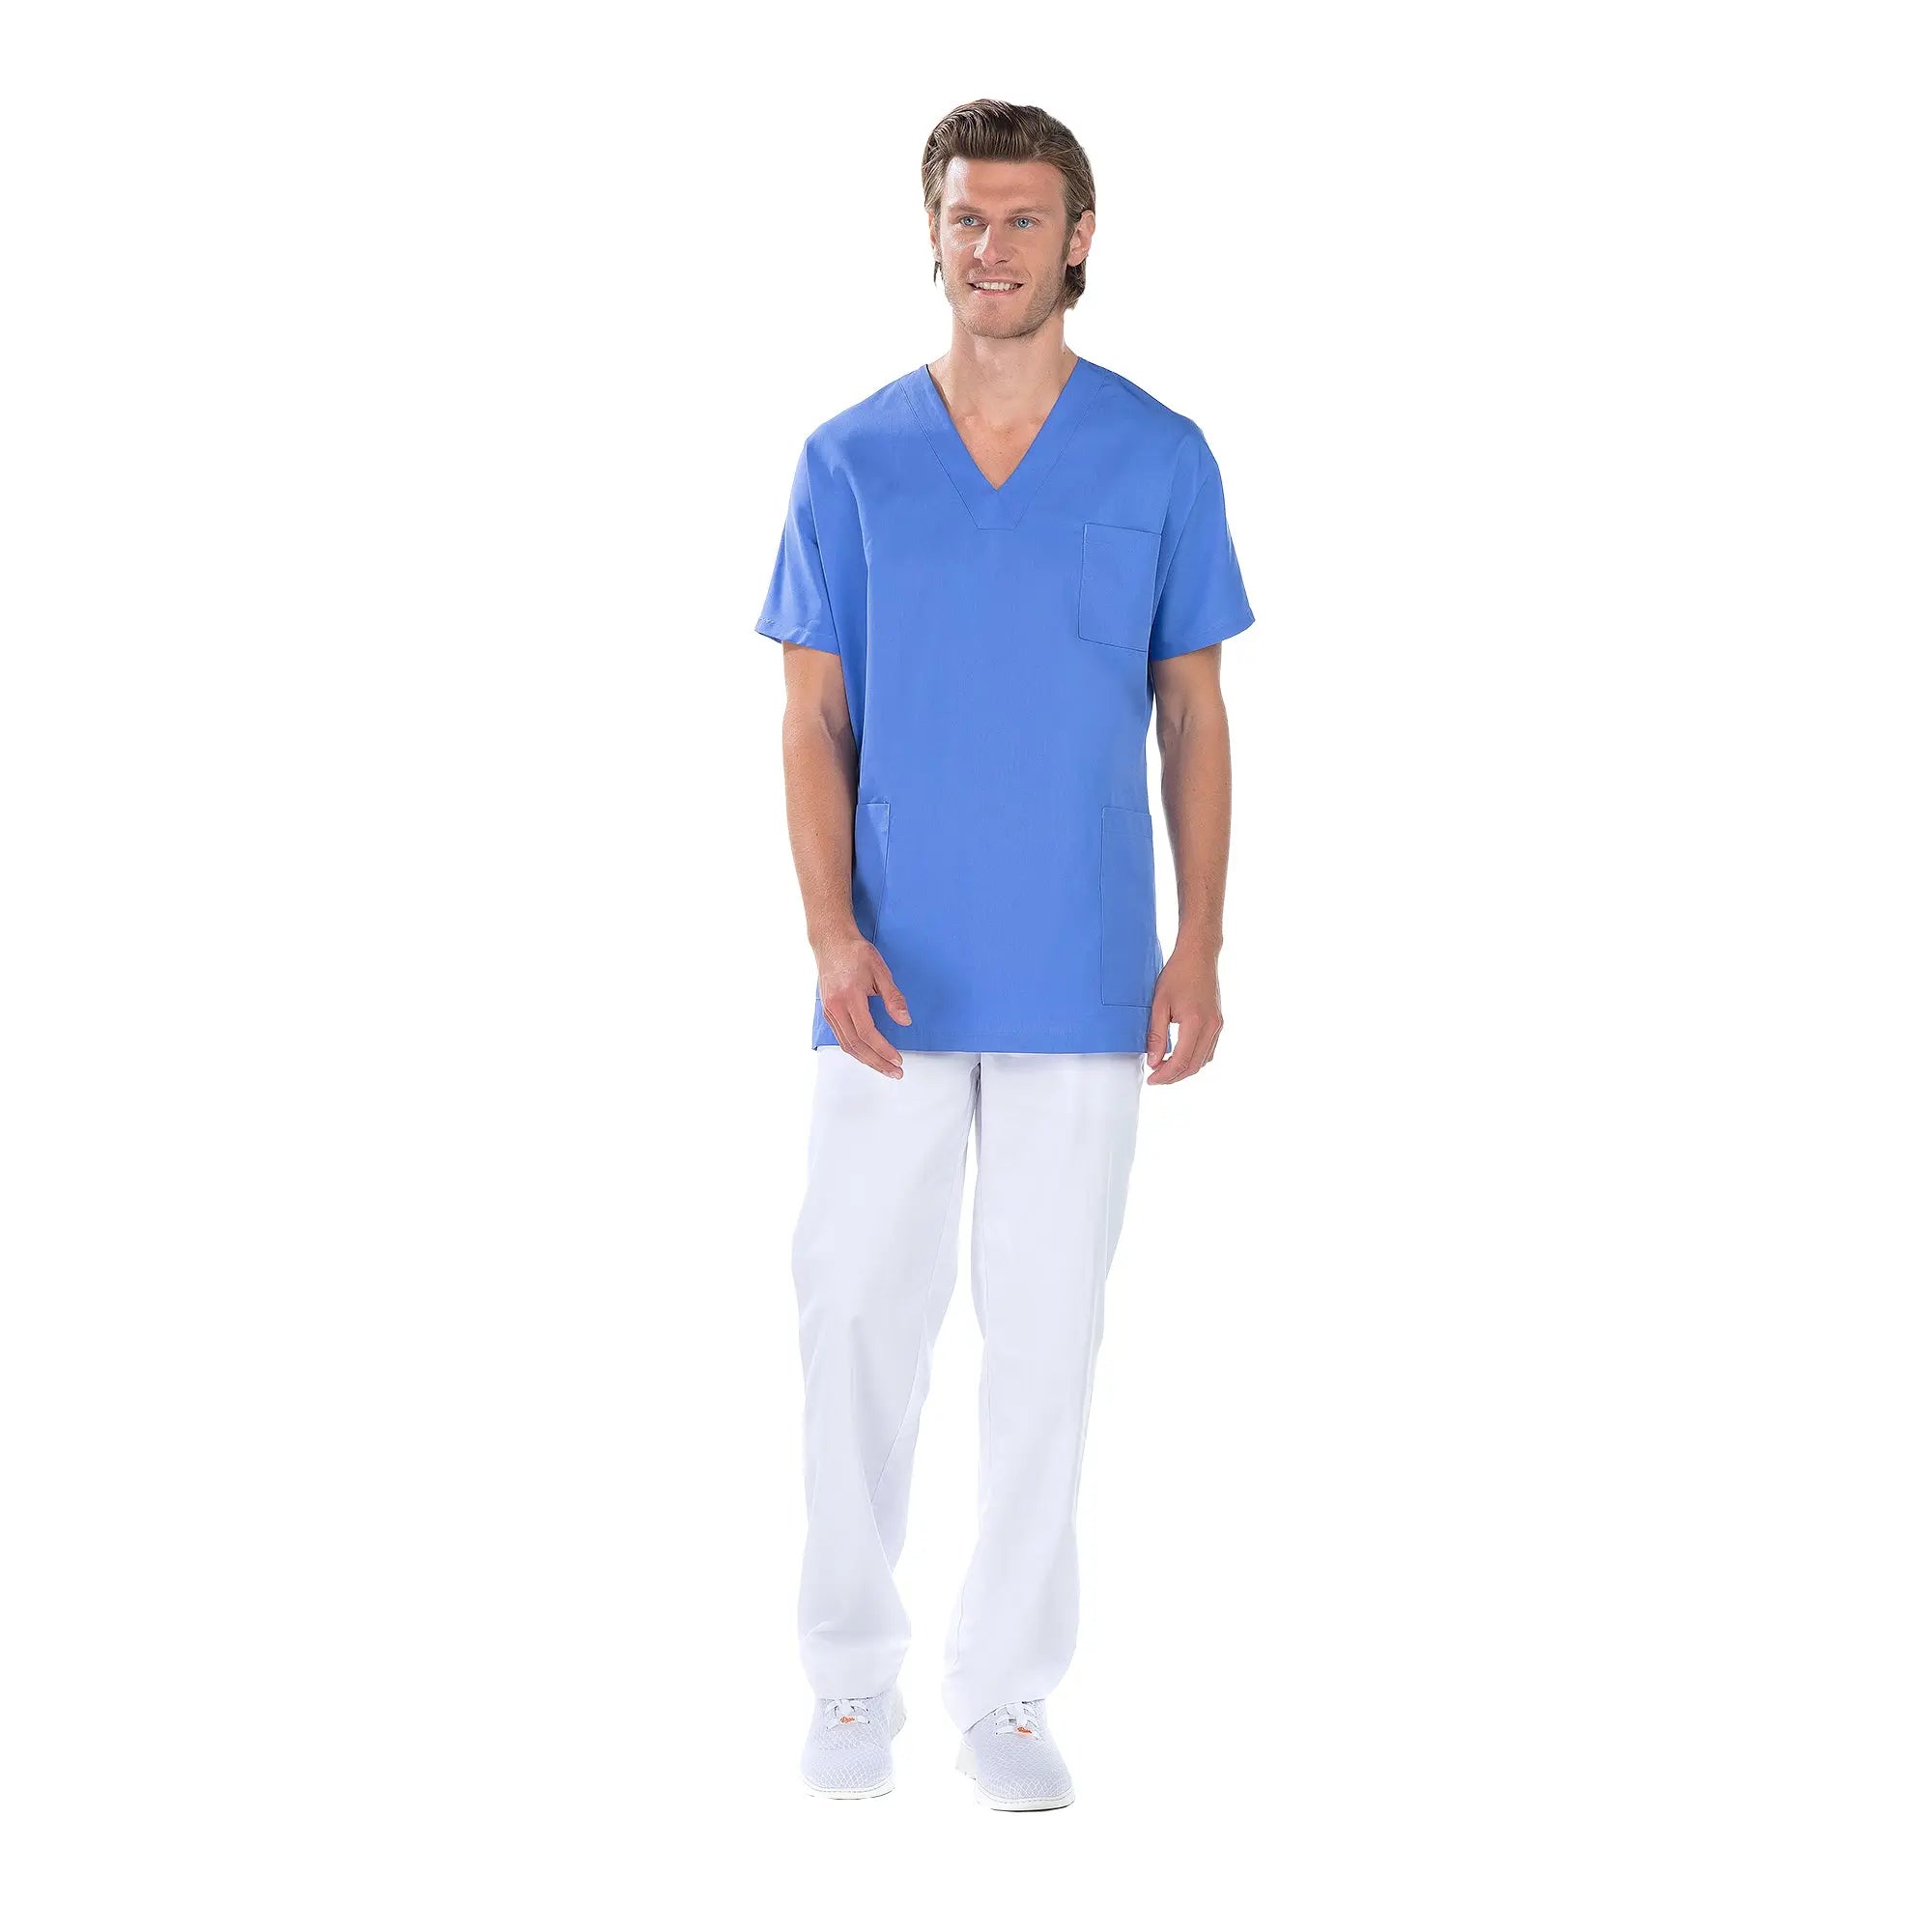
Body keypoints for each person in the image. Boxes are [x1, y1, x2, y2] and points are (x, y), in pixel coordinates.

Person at [754, 99, 1253, 1811]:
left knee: (1046, 1342)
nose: (993, 247)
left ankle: (1006, 1695)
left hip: (1085, 963)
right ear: (934, 233)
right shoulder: (851, 462)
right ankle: (848, 1681)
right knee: (853, 1319)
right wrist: (830, 929)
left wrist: (1199, 942)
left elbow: (1194, 712)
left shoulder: (1158, 457)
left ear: (1079, 239)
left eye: (1024, 219)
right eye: (967, 218)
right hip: (888, 980)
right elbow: (811, 718)